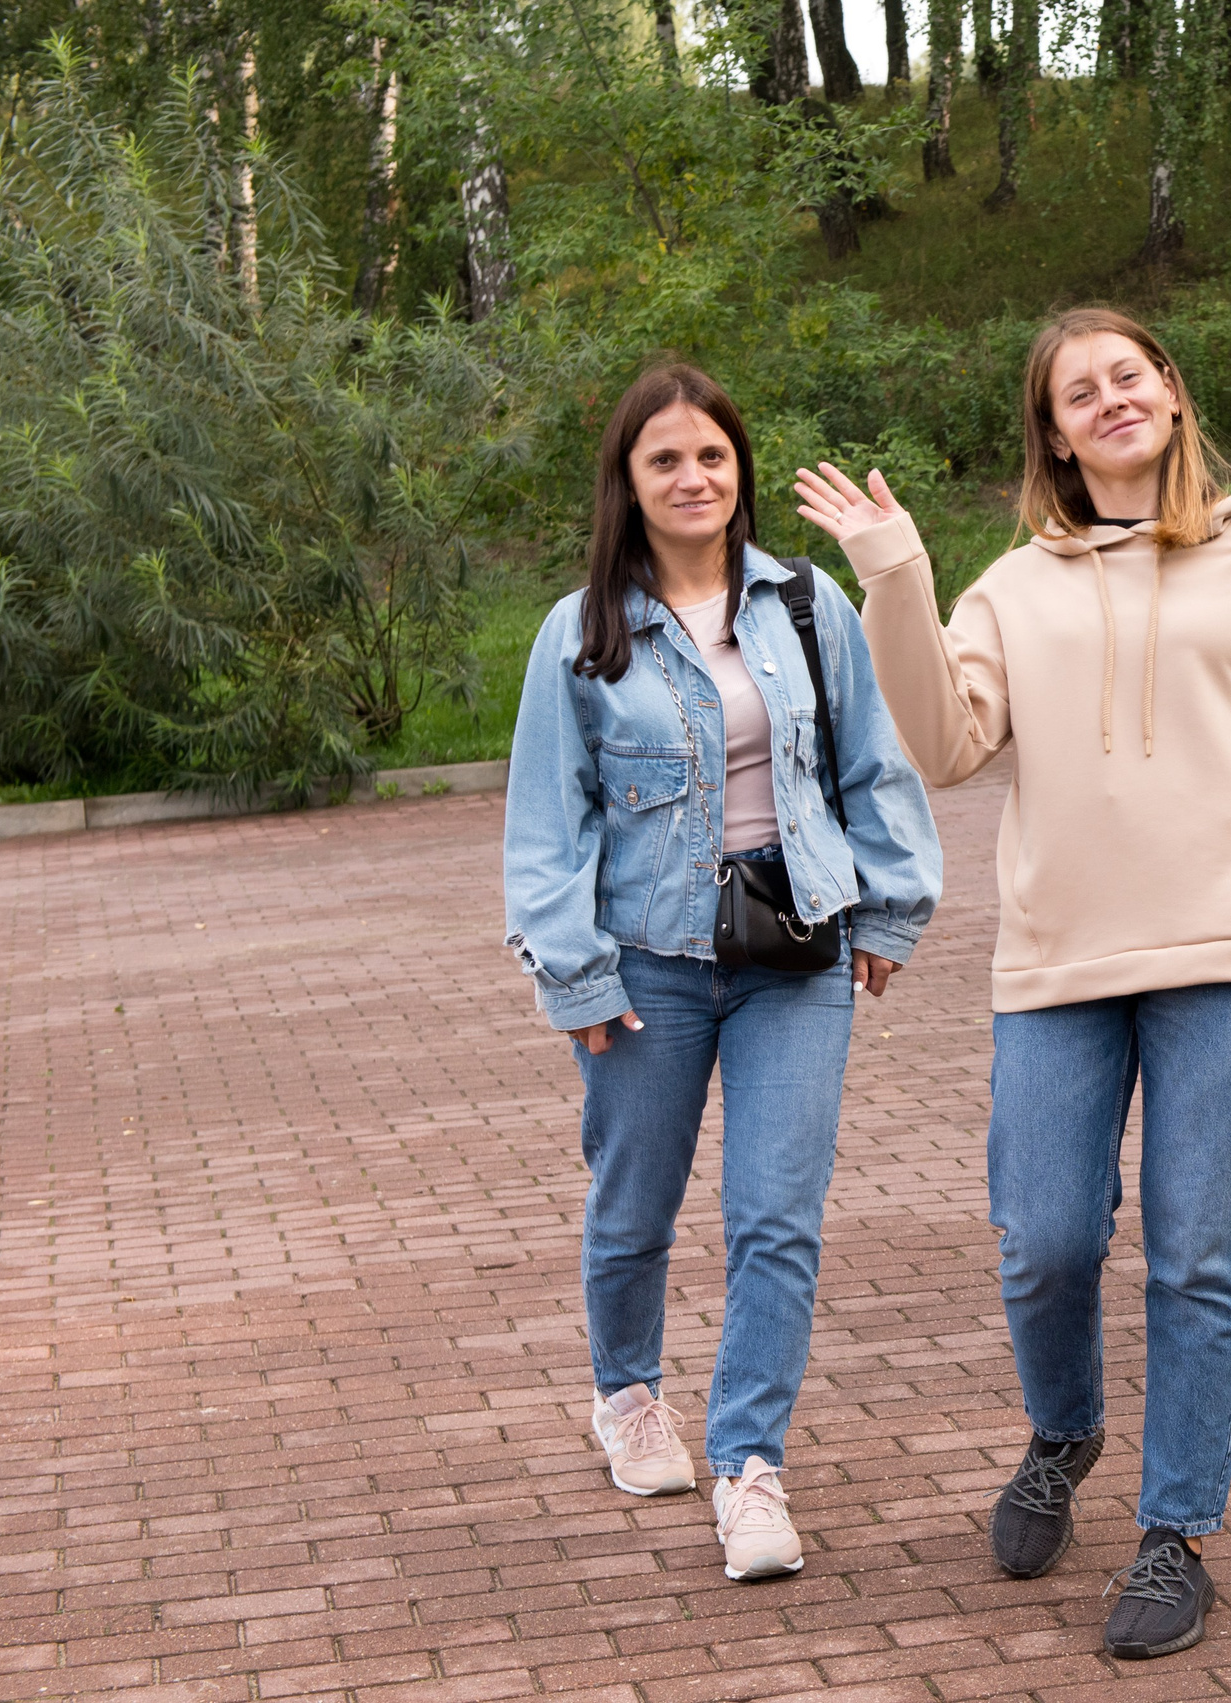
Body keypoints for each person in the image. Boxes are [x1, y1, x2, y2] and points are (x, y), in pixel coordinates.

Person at [795, 308, 1231, 1659]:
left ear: (1171, 395)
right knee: (1045, 1235)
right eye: (1080, 392)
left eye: (1129, 375)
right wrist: (893, 574)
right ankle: (1064, 1429)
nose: (1111, 398)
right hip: (1061, 957)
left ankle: (1175, 1529)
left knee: (1198, 1254)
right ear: (1056, 437)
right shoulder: (1012, 589)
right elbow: (944, 745)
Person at [502, 364, 944, 1582]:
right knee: (632, 1205)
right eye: (665, 459)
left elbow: (874, 763)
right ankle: (626, 1393)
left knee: (775, 1217)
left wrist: (891, 905)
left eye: (711, 455)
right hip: (646, 963)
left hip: (793, 952)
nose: (693, 477)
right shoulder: (580, 631)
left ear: (738, 468)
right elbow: (547, 820)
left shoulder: (804, 603)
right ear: (628, 482)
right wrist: (576, 976)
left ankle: (750, 1465)